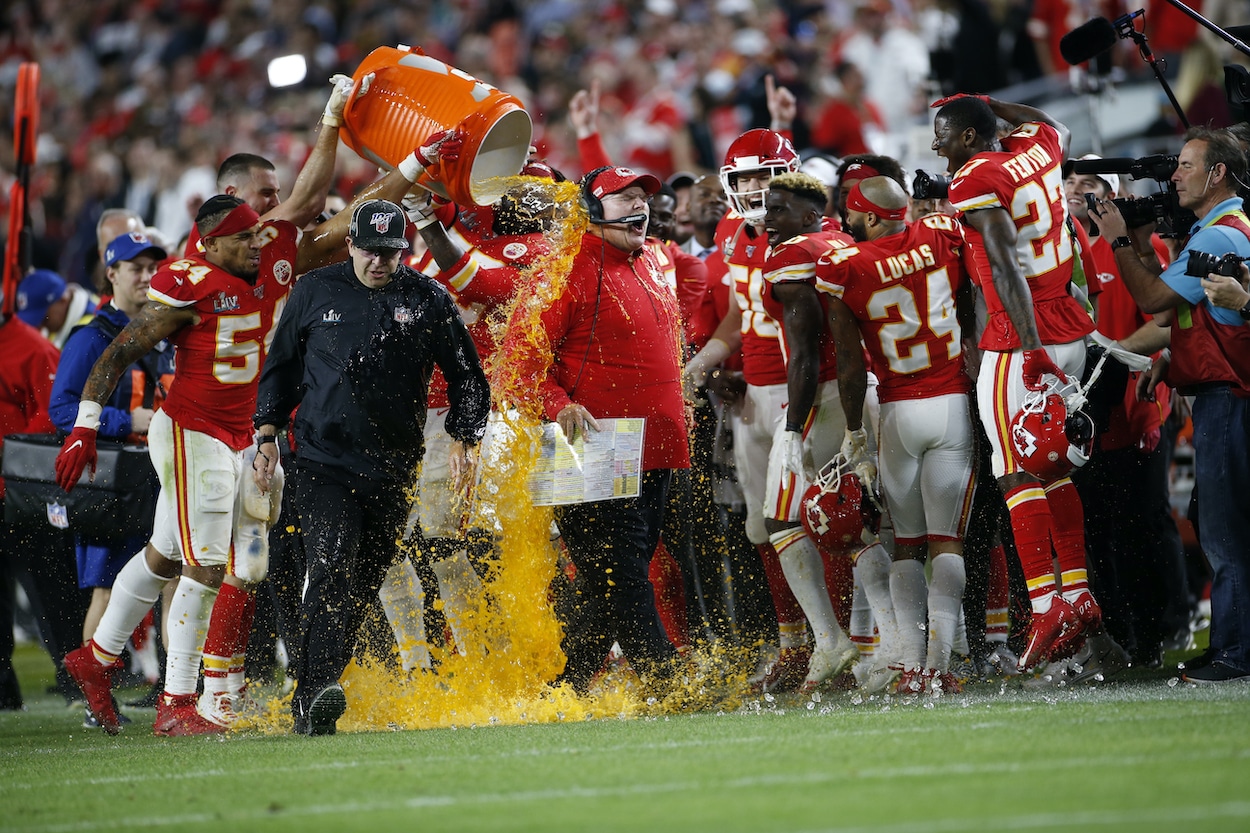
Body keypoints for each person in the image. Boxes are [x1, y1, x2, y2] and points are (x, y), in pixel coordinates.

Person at [253, 198, 489, 735]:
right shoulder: (314, 290)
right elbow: (281, 367)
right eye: (369, 251)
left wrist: (463, 437)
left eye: (390, 252)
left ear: (403, 251)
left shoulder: (428, 297)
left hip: (394, 466)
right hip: (321, 460)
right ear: (351, 245)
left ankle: (312, 694)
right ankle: (315, 695)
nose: (379, 263)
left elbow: (469, 377)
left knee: (360, 582)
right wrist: (266, 432)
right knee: (332, 569)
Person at [504, 166, 689, 694]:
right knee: (624, 576)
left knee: (606, 584)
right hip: (588, 444)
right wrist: (555, 403)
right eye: (623, 199)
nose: (639, 208)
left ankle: (562, 688)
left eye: (642, 198)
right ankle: (666, 681)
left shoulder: (651, 258)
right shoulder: (561, 270)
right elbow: (516, 362)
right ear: (589, 209)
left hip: (655, 444)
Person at [932, 93, 1099, 671]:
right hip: (1066, 325)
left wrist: (1027, 348)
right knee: (1052, 465)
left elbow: (1004, 265)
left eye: (945, 134)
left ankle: (1046, 605)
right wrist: (987, 101)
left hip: (1020, 332)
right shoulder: (1038, 148)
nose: (936, 146)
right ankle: (1077, 594)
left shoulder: (977, 175)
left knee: (1013, 470)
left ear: (973, 139)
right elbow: (1048, 120)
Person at [1088, 126, 1250, 683]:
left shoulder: (1222, 236)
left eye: (1185, 164)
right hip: (1219, 398)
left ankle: (1235, 654)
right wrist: (1138, 244)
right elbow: (1169, 310)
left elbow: (1154, 301)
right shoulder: (1217, 230)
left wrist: (1114, 240)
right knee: (1218, 525)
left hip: (1227, 399)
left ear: (1217, 173)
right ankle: (1230, 645)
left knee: (1226, 534)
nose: (1174, 175)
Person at [813, 176, 977, 694]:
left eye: (851, 213)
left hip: (899, 408)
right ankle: (941, 666)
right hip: (952, 400)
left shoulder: (845, 267)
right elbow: (973, 291)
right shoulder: (941, 232)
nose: (845, 221)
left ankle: (910, 667)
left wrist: (855, 431)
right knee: (947, 539)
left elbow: (846, 357)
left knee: (906, 543)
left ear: (868, 216)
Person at [48, 231, 174, 727]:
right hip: (112, 480)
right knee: (107, 588)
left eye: (152, 267)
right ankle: (95, 701)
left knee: (172, 580)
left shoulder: (164, 324)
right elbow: (61, 409)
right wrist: (128, 422)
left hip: (160, 471)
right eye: (135, 267)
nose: (145, 276)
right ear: (112, 274)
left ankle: (174, 688)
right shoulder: (91, 334)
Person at [758, 171, 863, 692]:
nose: (766, 219)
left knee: (782, 519)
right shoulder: (841, 239)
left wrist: (792, 428)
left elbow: (803, 350)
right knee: (870, 523)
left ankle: (832, 640)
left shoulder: (793, 253)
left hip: (821, 394)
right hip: (864, 390)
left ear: (807, 214)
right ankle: (882, 647)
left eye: (777, 210)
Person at [0, 294, 76, 711]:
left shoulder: (32, 346)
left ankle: (76, 680)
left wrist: (8, 454)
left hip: (24, 494)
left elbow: (52, 416)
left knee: (51, 594)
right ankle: (2, 690)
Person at [16, 269, 99, 350]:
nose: (40, 327)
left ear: (63, 299)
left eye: (44, 319)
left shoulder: (90, 331)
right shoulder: (60, 322)